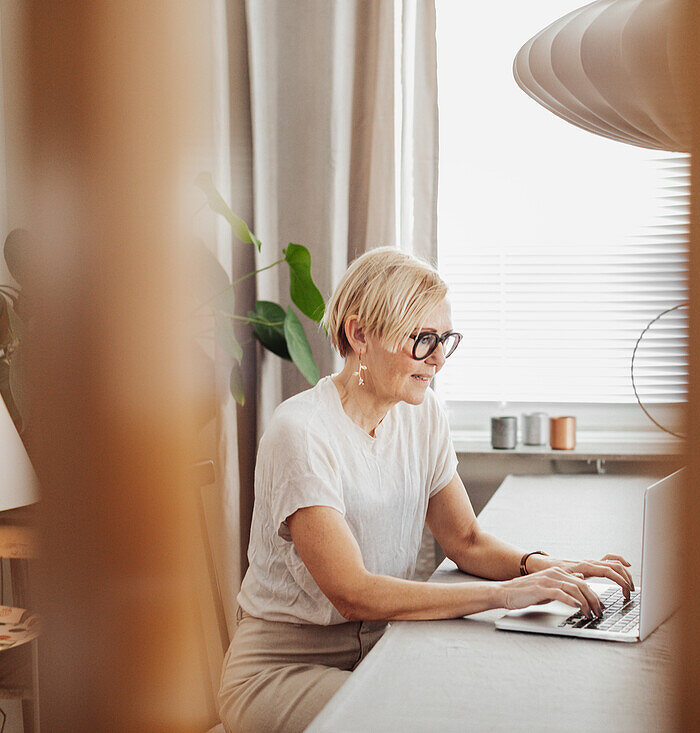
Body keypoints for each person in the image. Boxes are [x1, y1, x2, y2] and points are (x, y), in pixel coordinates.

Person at [218, 248, 634, 732]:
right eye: (422, 339)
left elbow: (466, 541)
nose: (438, 358)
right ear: (359, 334)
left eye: (445, 339)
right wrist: (504, 595)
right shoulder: (302, 432)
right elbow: (353, 594)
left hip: (384, 648)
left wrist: (546, 567)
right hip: (280, 672)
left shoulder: (422, 413)